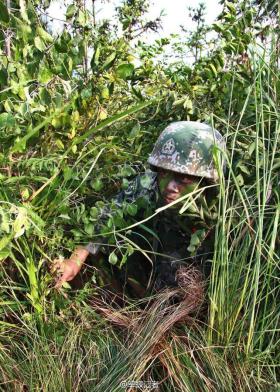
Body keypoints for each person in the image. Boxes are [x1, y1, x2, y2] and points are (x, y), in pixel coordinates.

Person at [53, 121, 225, 297]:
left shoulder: (225, 210)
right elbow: (107, 218)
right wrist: (74, 261)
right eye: (164, 173)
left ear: (208, 182)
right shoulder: (148, 184)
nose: (170, 186)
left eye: (184, 179)